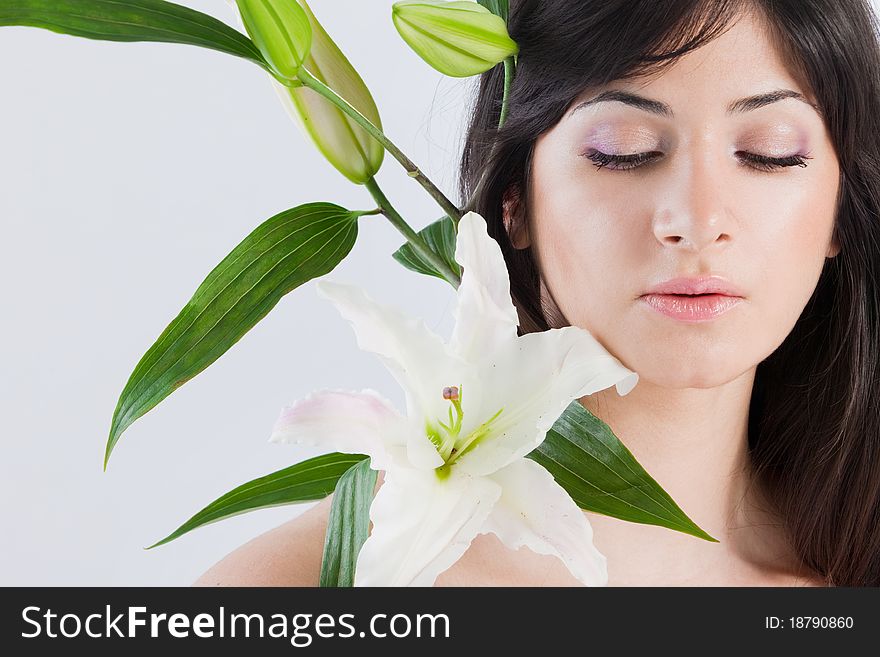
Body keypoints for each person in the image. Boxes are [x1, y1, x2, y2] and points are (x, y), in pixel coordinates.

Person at [194, 0, 880, 587]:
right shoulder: (320, 584)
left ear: (840, 210)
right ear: (514, 202)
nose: (698, 221)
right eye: (625, 148)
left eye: (769, 151)